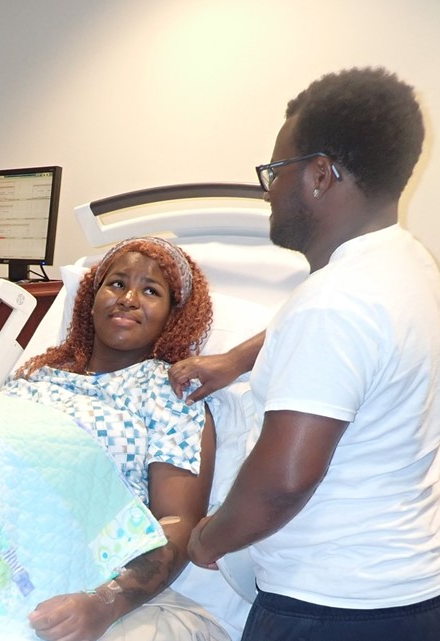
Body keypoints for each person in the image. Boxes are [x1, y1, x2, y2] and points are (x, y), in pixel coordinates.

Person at [174, 67, 440, 640]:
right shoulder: (406, 264)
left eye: (276, 171)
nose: (270, 189)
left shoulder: (333, 305)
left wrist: (207, 539)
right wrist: (233, 361)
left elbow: (283, 481)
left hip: (329, 609)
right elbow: (334, 341)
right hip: (409, 594)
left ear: (320, 175)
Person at [3, 236, 224, 640]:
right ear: (91, 297)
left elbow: (177, 523)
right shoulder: (37, 377)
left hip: (93, 579)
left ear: (173, 317)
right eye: (117, 284)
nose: (128, 299)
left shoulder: (170, 395)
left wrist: (104, 603)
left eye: (151, 291)